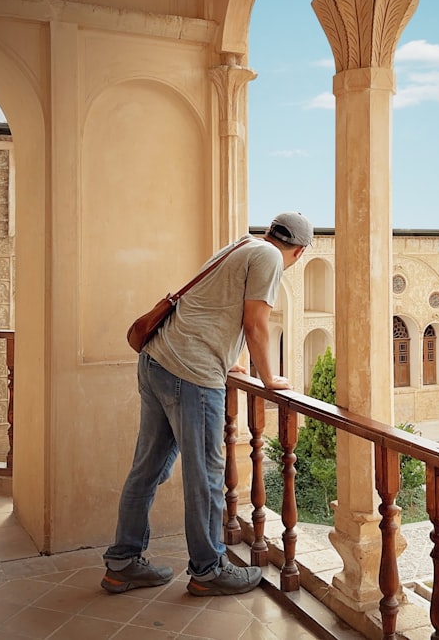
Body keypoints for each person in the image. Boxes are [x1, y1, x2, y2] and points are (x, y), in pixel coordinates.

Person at [101, 211, 314, 597]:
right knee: (206, 477)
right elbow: (255, 323)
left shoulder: (242, 245)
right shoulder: (269, 260)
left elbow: (212, 305)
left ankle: (122, 564)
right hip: (191, 373)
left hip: (157, 359)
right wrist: (269, 378)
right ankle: (208, 569)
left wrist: (227, 356)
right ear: (298, 252)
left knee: (147, 469)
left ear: (270, 233)